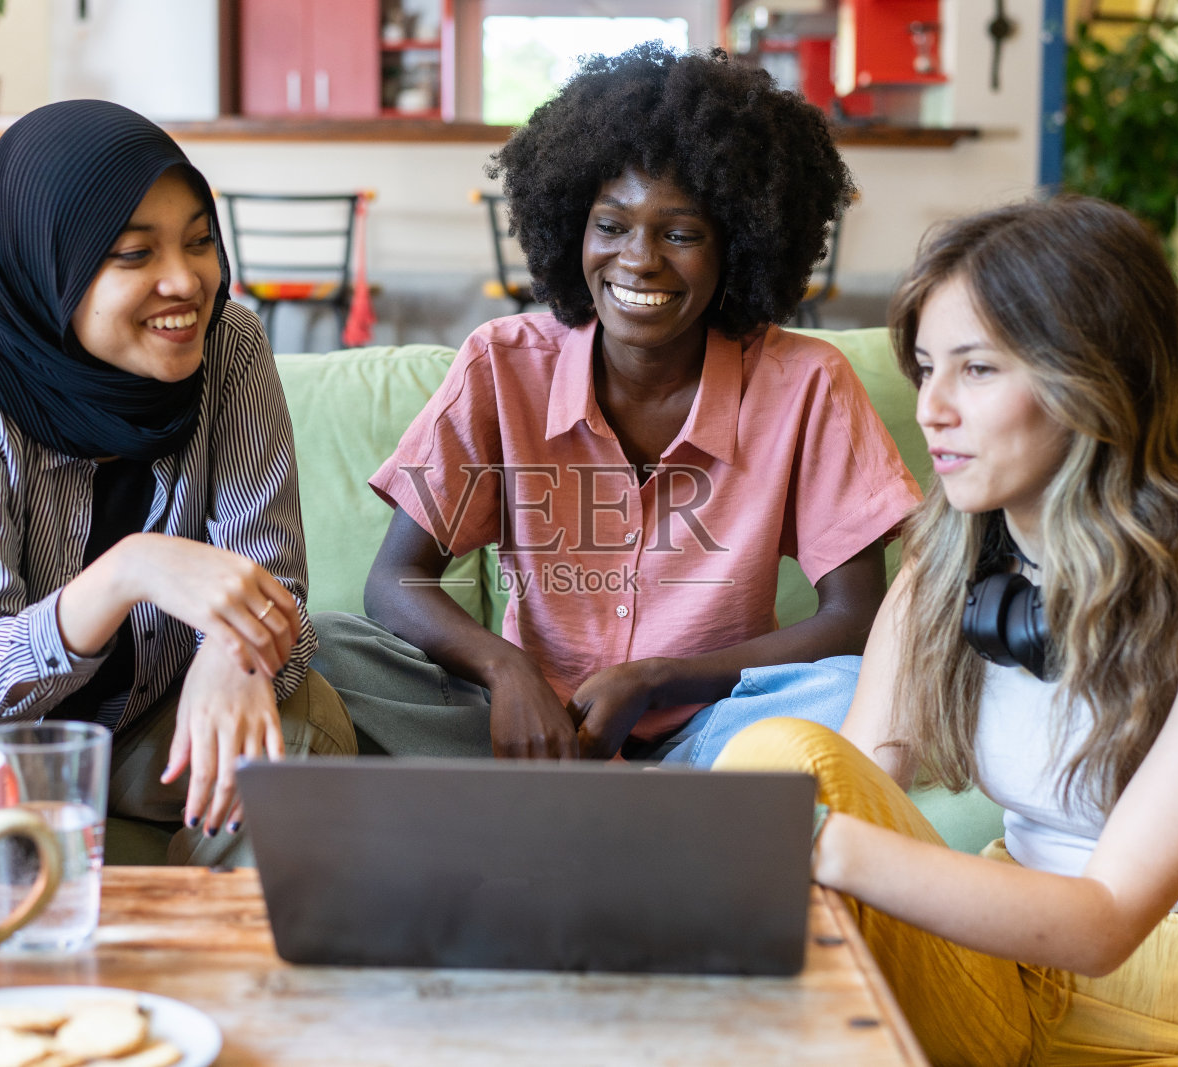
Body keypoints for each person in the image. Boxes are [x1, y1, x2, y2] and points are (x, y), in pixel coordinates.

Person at [716, 196, 1178, 1064]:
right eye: (925, 367)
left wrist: (811, 841)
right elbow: (860, 777)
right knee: (782, 752)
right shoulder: (943, 564)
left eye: (975, 370)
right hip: (997, 969)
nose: (930, 407)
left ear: (1091, 378)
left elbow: (1106, 920)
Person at [309, 44, 919, 763]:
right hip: (523, 725)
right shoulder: (502, 364)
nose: (638, 259)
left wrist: (661, 679)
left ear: (741, 246)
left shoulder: (806, 381)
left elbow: (853, 619)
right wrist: (510, 673)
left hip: (714, 728)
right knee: (321, 647)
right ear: (572, 228)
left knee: (853, 688)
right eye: (611, 225)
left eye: (682, 233)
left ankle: (611, 808)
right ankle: (613, 807)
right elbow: (395, 581)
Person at [0, 100, 355, 865]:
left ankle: (205, 960)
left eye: (199, 243)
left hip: (140, 715)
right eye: (134, 253)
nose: (185, 281)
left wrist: (234, 654)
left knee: (301, 732)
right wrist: (130, 570)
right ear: (49, 267)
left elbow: (272, 583)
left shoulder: (230, 347)